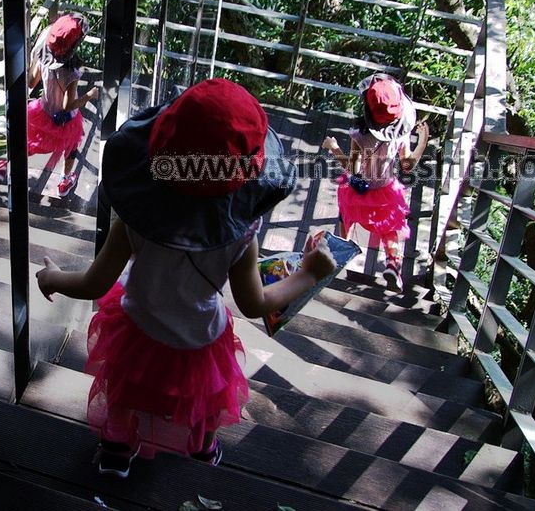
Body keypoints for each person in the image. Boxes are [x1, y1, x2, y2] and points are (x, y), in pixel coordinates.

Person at [36, 78, 336, 477]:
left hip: (137, 333)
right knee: (201, 400)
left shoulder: (134, 221)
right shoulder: (240, 239)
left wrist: (53, 278)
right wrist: (308, 274)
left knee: (128, 392)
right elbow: (254, 304)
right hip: (200, 344)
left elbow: (94, 283)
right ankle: (201, 450)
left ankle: (116, 451)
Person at [321, 73, 428, 292]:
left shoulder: (359, 134)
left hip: (358, 189)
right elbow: (407, 165)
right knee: (390, 229)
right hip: (385, 190)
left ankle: (340, 258)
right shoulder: (400, 134)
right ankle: (392, 266)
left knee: (346, 218)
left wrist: (333, 147)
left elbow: (352, 168)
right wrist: (423, 142)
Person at [24, 13, 100, 197]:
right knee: (71, 146)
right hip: (66, 119)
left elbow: (31, 82)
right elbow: (69, 105)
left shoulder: (44, 48)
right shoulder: (71, 73)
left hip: (44, 110)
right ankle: (65, 181)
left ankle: (15, 163)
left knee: (32, 140)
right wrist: (90, 95)